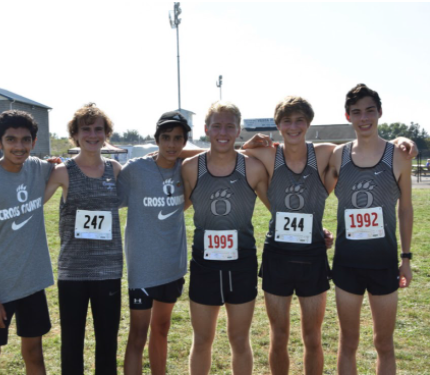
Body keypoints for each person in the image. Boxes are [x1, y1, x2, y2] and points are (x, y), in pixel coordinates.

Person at [241, 96, 417, 375]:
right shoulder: (267, 154)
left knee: (314, 337)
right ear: (278, 125)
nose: (294, 126)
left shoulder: (325, 153)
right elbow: (226, 153)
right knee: (279, 336)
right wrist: (249, 143)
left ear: (309, 124)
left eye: (300, 120)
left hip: (313, 254)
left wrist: (402, 138)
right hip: (278, 255)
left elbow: (364, 148)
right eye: (287, 121)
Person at [326, 84, 413, 375]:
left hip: (384, 263)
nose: (364, 118)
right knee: (348, 341)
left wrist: (406, 259)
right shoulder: (338, 156)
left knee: (384, 343)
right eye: (357, 112)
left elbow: (405, 209)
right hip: (347, 263)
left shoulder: (397, 155)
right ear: (347, 116)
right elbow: (311, 191)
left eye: (370, 111)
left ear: (380, 113)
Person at [182, 101, 269, 375]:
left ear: (238, 130)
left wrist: (316, 229)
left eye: (229, 126)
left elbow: (279, 207)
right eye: (217, 125)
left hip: (241, 265)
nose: (223, 131)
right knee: (202, 340)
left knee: (240, 340)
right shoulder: (190, 168)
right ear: (206, 129)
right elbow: (173, 209)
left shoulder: (253, 168)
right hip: (204, 266)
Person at [0, 110, 54, 374]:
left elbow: (65, 165)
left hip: (32, 283)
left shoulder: (39, 168)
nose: (19, 146)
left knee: (34, 355)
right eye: (11, 139)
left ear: (33, 142)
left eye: (25, 140)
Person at [44, 103, 123, 375]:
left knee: (107, 344)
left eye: (98, 129)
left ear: (106, 134)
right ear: (75, 135)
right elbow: (30, 199)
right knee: (71, 343)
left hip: (109, 270)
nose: (92, 135)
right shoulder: (62, 172)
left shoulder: (115, 169)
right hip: (73, 272)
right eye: (85, 129)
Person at [120, 111, 191, 375]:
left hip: (172, 266)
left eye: (178, 138)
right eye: (166, 138)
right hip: (143, 268)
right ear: (156, 139)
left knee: (161, 329)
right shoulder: (136, 169)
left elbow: (216, 155)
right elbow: (109, 198)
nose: (172, 144)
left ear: (185, 141)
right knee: (138, 335)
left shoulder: (187, 169)